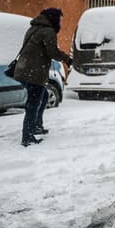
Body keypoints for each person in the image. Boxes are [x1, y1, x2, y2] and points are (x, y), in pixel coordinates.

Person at [14, 8, 72, 147]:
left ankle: (36, 126)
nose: (60, 23)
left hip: (23, 70)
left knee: (43, 96)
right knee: (33, 103)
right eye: (59, 19)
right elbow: (52, 52)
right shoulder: (48, 31)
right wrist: (67, 59)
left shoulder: (33, 28)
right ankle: (27, 135)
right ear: (53, 18)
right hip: (33, 72)